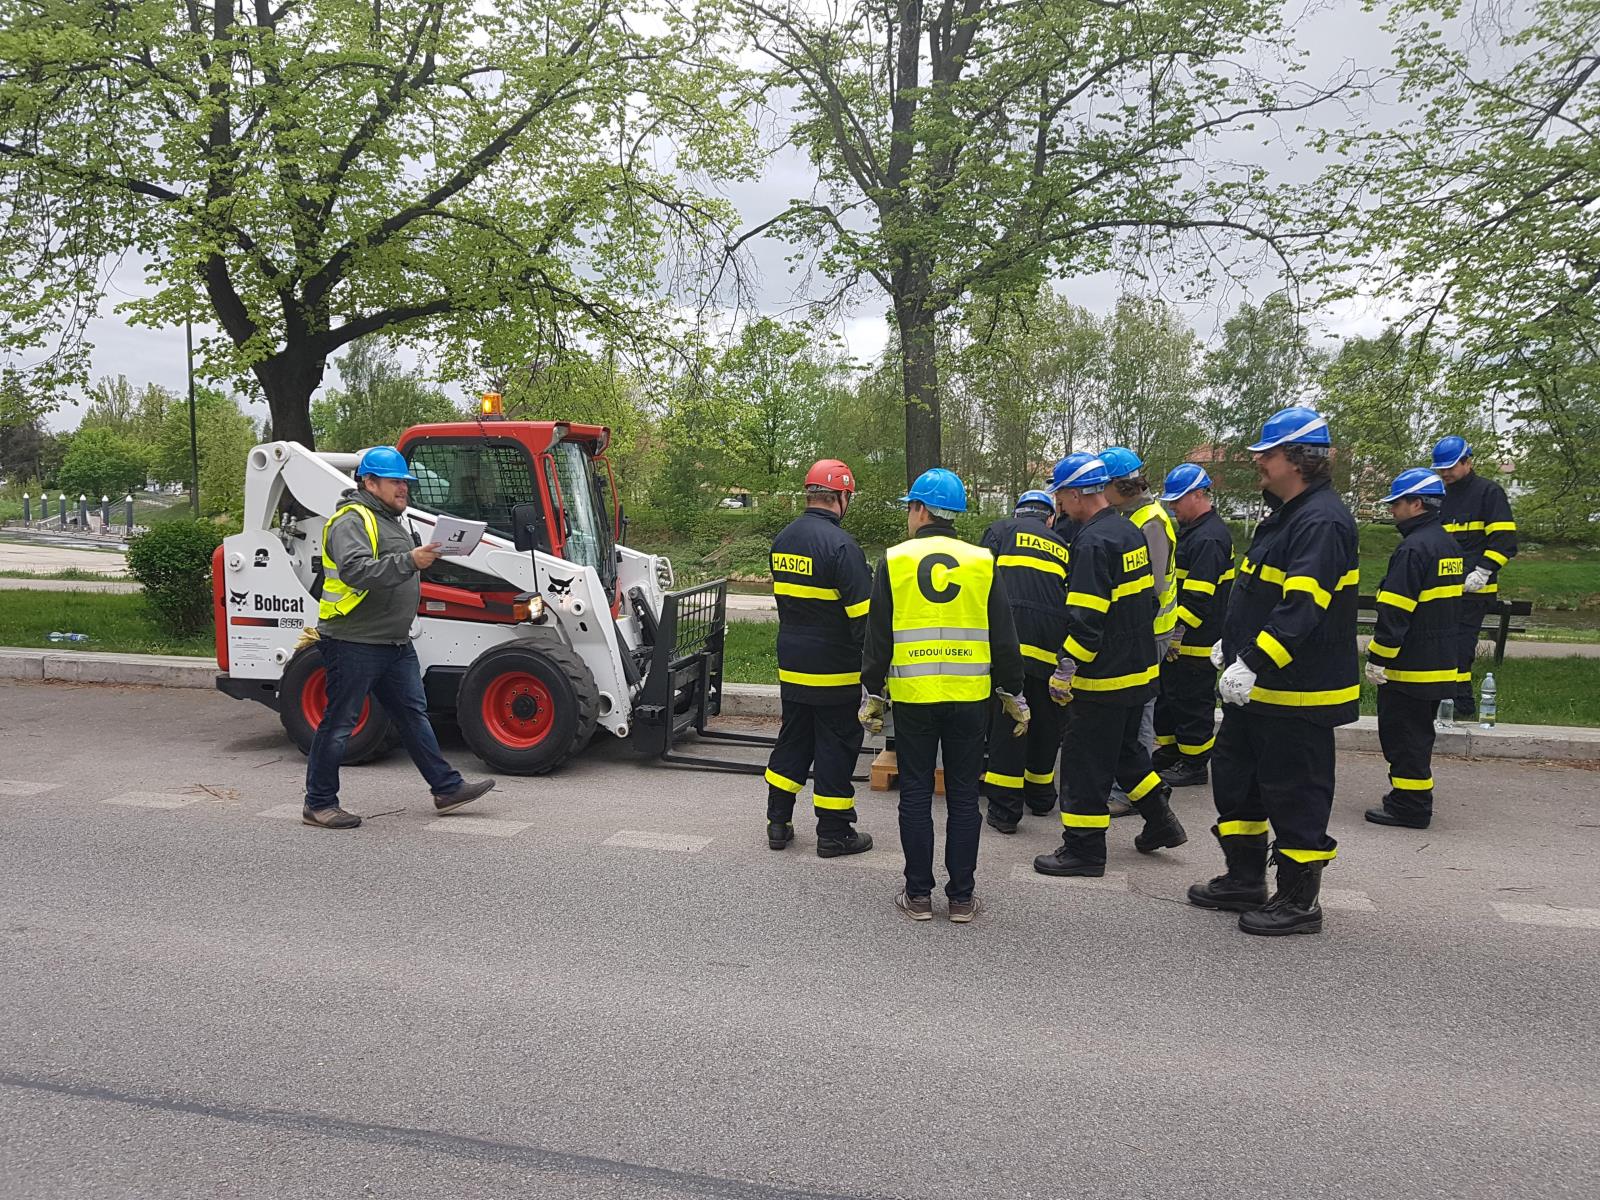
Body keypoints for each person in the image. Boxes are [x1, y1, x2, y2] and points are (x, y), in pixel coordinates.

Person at [1187, 407, 1358, 935]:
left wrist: (1254, 661)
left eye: (1267, 453)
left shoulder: (1321, 520)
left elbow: (1302, 606)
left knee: (1296, 793)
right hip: (1256, 689)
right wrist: (1230, 644)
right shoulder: (1285, 513)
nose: (1258, 461)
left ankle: (1300, 901)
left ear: (1298, 460)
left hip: (1296, 690)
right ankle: (1244, 877)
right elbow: (1259, 591)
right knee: (1238, 781)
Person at [860, 468, 1026, 923]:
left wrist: (872, 692)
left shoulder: (893, 561)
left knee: (915, 793)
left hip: (914, 695)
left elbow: (878, 639)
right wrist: (1014, 691)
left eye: (908, 509)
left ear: (919, 509)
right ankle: (961, 898)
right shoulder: (981, 561)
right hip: (970, 696)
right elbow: (1004, 638)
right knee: (963, 795)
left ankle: (917, 896)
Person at [304, 446, 496, 829]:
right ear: (369, 482)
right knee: (339, 723)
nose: (403, 489)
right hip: (353, 639)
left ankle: (446, 788)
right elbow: (357, 571)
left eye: (406, 483)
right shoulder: (352, 520)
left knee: (413, 716)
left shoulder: (393, 520)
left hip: (392, 640)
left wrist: (424, 557)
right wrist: (411, 560)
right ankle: (319, 803)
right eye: (395, 482)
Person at [1033, 453, 1187, 878]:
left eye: (1061, 494)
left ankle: (1083, 849)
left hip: (1103, 677)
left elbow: (1086, 616)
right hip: (1137, 670)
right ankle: (1161, 821)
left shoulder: (1092, 542)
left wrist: (1066, 669)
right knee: (1127, 753)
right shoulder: (1126, 531)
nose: (1060, 504)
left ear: (1077, 492)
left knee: (1084, 763)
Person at [763, 459, 875, 857]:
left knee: (792, 738)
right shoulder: (843, 548)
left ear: (810, 494)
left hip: (792, 664)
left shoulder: (783, 540)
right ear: (842, 497)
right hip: (835, 670)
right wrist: (875, 677)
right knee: (836, 746)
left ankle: (778, 821)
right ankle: (834, 832)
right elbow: (864, 620)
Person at [1364, 468, 1463, 829]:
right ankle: (1411, 799)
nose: (1392, 510)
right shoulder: (1447, 544)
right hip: (1437, 660)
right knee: (1418, 735)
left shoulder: (1413, 548)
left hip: (1410, 666)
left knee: (1403, 737)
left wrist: (1378, 658)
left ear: (1416, 503)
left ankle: (1411, 806)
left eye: (1397, 503)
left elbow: (1396, 610)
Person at [979, 490, 1072, 832]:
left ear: (1017, 513)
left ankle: (1004, 811)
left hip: (1009, 646)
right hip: (1050, 649)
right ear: (1050, 518)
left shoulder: (999, 531)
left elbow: (978, 582)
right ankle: (1040, 796)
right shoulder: (1063, 544)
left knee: (1009, 723)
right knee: (1046, 724)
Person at [1100, 446, 1179, 817]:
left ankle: (1130, 792)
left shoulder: (1150, 522)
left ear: (1122, 486)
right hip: (1140, 630)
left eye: (1105, 485)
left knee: (1140, 711)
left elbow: (1153, 586)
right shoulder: (1133, 515)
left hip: (1150, 631)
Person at [1152, 463, 1234, 789]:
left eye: (1177, 500)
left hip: (1195, 639)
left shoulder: (1210, 537)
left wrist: (1176, 635)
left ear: (1198, 495)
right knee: (1170, 698)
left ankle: (1195, 762)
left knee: (1192, 702)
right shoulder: (1195, 532)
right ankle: (1173, 751)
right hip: (1182, 637)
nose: (1172, 507)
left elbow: (1198, 598)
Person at [1433, 436, 1517, 717]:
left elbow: (1505, 541)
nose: (1445, 474)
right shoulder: (1440, 495)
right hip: (1441, 588)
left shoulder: (1488, 493)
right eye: (1441, 469)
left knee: (1459, 648)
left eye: (1451, 468)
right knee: (1440, 645)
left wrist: (1482, 572)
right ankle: (1444, 702)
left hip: (1473, 591)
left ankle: (1461, 704)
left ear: (1467, 462)